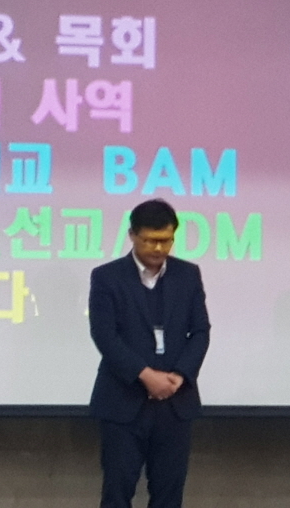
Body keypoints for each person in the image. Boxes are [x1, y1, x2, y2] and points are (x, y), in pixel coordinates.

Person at [88, 198, 210, 508]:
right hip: (123, 400)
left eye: (166, 240)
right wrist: (145, 375)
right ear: (132, 235)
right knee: (117, 493)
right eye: (150, 240)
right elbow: (105, 335)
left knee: (169, 495)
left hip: (175, 403)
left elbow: (200, 331)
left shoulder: (188, 274)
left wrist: (180, 375)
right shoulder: (107, 277)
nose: (158, 248)